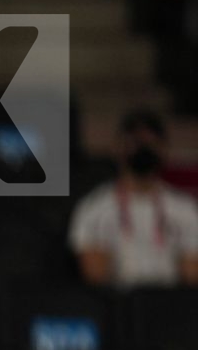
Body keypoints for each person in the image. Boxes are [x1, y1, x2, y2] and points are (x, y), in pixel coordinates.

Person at [69, 108, 198, 287]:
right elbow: (95, 279)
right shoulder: (94, 207)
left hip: (171, 306)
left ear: (164, 149)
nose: (143, 147)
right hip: (118, 308)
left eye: (152, 142)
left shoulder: (185, 208)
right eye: (136, 141)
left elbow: (191, 280)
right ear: (118, 146)